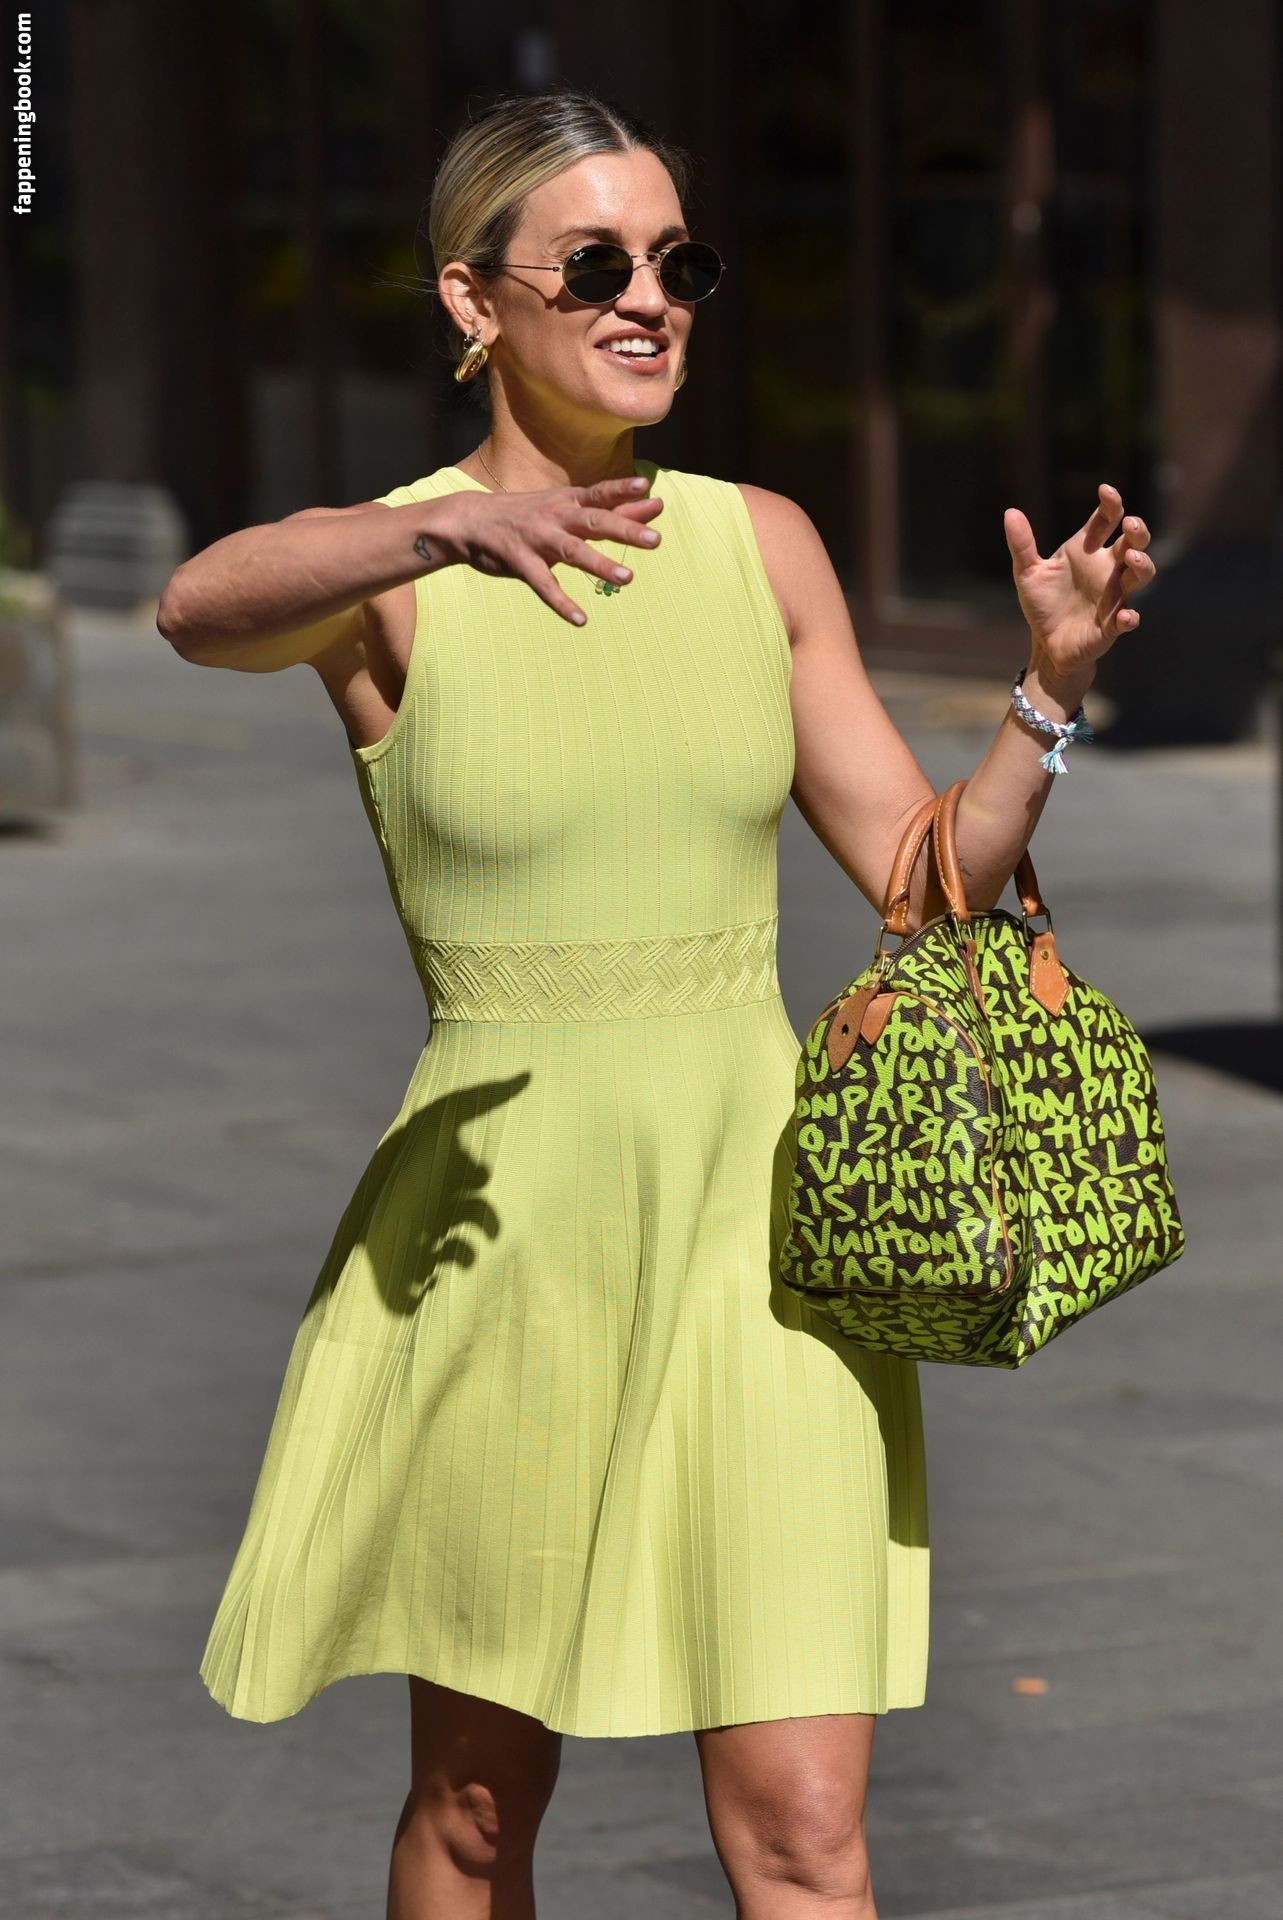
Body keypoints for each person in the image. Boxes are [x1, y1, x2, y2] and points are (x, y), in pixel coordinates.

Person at [157, 83, 1155, 1920]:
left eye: (677, 264)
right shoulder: (391, 571)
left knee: (807, 1836)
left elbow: (925, 876)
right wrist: (441, 537)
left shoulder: (759, 539)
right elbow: (197, 607)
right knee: (476, 1815)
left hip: (759, 1240)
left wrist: (1045, 693)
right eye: (596, 264)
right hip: (504, 1242)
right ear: (473, 301)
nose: (648, 299)